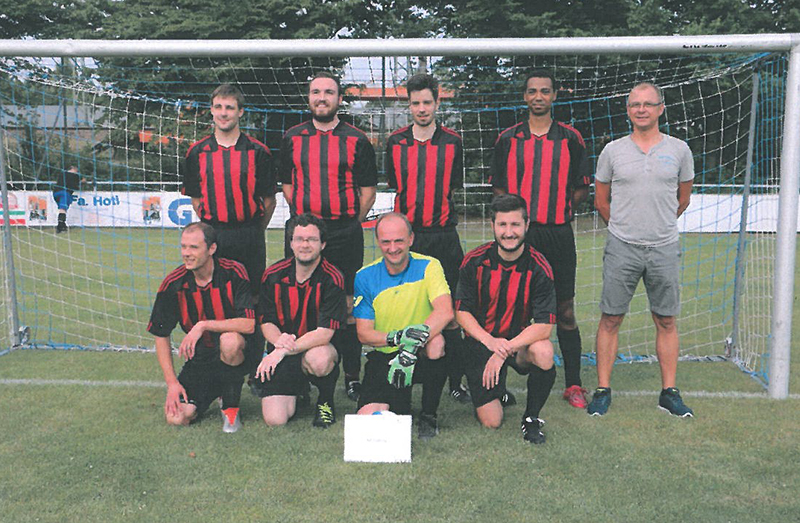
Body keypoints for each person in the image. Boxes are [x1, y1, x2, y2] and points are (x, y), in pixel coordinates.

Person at [588, 82, 695, 418]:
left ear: (661, 108)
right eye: (635, 104)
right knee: (611, 318)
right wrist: (625, 228)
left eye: (649, 104)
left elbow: (683, 198)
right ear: (628, 109)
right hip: (622, 247)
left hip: (664, 247)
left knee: (665, 319)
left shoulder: (679, 150)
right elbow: (601, 200)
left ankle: (669, 392)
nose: (642, 109)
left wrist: (656, 225)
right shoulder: (613, 151)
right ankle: (603, 390)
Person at [491, 69, 592, 409]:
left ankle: (574, 384)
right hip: (521, 236)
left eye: (545, 91)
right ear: (524, 96)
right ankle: (499, 384)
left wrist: (558, 209)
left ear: (554, 96)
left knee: (564, 309)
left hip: (559, 234)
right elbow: (501, 190)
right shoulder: (507, 139)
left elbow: (580, 188)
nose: (538, 97)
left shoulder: (571, 138)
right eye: (532, 91)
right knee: (510, 309)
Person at [278, 71, 378, 402]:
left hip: (344, 233)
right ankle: (298, 373)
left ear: (339, 98)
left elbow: (368, 192)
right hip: (304, 234)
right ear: (309, 97)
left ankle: (351, 375)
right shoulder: (292, 137)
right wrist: (307, 226)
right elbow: (288, 187)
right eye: (316, 92)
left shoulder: (357, 139)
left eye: (329, 92)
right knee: (299, 303)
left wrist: (350, 223)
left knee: (348, 306)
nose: (322, 97)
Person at [385, 73, 470, 404]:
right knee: (406, 308)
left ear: (437, 102)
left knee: (451, 313)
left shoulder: (453, 142)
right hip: (409, 240)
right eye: (415, 102)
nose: (421, 108)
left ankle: (455, 381)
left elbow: (454, 186)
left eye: (427, 102)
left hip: (445, 238)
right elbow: (396, 185)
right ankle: (404, 370)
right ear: (409, 105)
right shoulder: (395, 143)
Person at [455, 194, 556, 444]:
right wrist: (490, 343)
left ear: (526, 225)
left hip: (516, 345)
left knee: (544, 351)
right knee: (492, 421)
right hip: (481, 342)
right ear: (493, 226)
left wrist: (504, 350)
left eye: (515, 225)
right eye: (502, 225)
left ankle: (531, 419)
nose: (509, 232)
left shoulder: (539, 267)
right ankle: (495, 391)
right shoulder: (474, 262)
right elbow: (461, 312)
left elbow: (545, 326)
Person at [353, 213, 453, 439]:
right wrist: (399, 339)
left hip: (420, 352)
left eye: (399, 240)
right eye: (386, 242)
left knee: (438, 343)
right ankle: (400, 402)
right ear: (378, 242)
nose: (392, 248)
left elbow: (445, 311)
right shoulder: (364, 276)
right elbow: (364, 333)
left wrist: (410, 347)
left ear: (411, 239)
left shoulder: (429, 266)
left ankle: (428, 414)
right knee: (369, 418)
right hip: (386, 356)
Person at [147, 222, 255, 432]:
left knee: (229, 341)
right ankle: (216, 388)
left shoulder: (234, 272)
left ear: (212, 249)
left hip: (239, 353)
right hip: (201, 360)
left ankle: (231, 407)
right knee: (176, 417)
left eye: (194, 247)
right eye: (183, 247)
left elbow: (249, 324)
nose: (186, 253)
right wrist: (172, 383)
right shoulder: (173, 283)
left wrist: (203, 325)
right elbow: (161, 334)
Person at [252, 214, 347, 428]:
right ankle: (299, 392)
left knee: (320, 358)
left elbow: (325, 333)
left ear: (322, 244)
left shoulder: (332, 278)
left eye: (312, 239)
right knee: (275, 420)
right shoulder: (273, 275)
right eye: (299, 239)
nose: (305, 245)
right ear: (291, 243)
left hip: (313, 349)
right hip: (282, 350)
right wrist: (279, 343)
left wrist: (281, 351)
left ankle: (325, 401)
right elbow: (266, 321)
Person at [181, 83, 276, 287]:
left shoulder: (259, 151)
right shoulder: (197, 152)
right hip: (213, 235)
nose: (223, 113)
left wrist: (253, 230)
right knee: (216, 292)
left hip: (249, 234)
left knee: (253, 296)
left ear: (240, 112)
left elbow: (269, 200)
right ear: (212, 110)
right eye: (219, 107)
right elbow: (196, 199)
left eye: (230, 108)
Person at [52, 165, 82, 233]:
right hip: (65, 193)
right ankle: (60, 227)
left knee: (62, 209)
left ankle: (63, 225)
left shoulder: (62, 174)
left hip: (55, 192)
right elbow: (81, 181)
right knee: (63, 209)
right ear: (74, 169)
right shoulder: (75, 176)